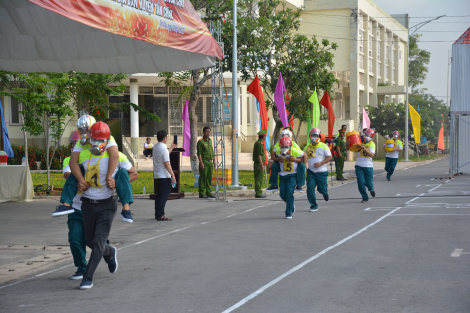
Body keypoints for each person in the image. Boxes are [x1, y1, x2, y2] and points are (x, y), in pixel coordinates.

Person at [77, 122, 138, 290]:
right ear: (89, 138)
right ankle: (109, 252)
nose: (97, 143)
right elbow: (73, 174)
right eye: (94, 139)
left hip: (107, 204)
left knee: (98, 240)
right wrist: (80, 183)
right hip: (88, 204)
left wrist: (115, 183)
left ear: (108, 139)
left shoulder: (117, 156)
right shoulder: (82, 154)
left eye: (101, 140)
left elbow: (133, 174)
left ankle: (87, 277)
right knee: (90, 241)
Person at [52, 114, 135, 223]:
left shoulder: (108, 139)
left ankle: (126, 208)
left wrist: (110, 178)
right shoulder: (80, 145)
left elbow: (114, 156)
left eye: (85, 129)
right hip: (87, 179)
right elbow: (73, 163)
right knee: (76, 171)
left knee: (123, 173)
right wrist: (82, 181)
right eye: (81, 130)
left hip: (104, 188)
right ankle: (66, 204)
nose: (83, 132)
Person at [60, 130, 87, 280]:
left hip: (93, 206)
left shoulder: (96, 158)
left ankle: (107, 251)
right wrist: (81, 180)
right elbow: (67, 174)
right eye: (74, 144)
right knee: (75, 238)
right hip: (75, 207)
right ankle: (82, 267)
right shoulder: (68, 160)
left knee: (95, 239)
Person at [273, 136, 305, 219]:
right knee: (282, 194)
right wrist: (277, 159)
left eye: (286, 147)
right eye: (282, 147)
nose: (284, 149)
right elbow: (272, 157)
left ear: (290, 146)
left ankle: (288, 212)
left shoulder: (295, 151)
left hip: (292, 175)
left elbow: (304, 155)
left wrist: (296, 160)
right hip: (283, 176)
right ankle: (291, 204)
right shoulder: (277, 151)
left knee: (289, 192)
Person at [267, 127, 305, 193]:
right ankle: (274, 185)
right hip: (281, 163)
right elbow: (273, 155)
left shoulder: (295, 145)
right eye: (283, 136)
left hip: (293, 163)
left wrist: (294, 159)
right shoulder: (278, 145)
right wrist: (277, 159)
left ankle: (299, 185)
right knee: (274, 166)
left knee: (301, 165)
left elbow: (302, 157)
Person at [304, 128, 332, 212]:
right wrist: (304, 165)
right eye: (312, 135)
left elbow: (329, 157)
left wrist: (320, 163)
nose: (313, 137)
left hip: (322, 172)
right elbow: (303, 156)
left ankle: (324, 192)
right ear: (310, 136)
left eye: (315, 135)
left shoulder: (323, 146)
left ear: (319, 136)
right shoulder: (307, 146)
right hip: (311, 172)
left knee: (322, 188)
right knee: (310, 187)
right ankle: (313, 205)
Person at [153, 130, 177, 220]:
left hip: (157, 175)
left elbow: (164, 154)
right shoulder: (163, 148)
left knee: (159, 195)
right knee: (163, 196)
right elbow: (167, 163)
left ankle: (158, 213)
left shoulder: (155, 147)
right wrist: (173, 175)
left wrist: (171, 147)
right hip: (164, 176)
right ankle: (160, 215)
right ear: (165, 138)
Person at [350, 128, 376, 203]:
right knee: (361, 183)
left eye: (367, 135)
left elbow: (371, 155)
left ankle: (371, 189)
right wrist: (347, 143)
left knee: (368, 183)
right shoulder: (358, 141)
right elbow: (350, 148)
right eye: (365, 134)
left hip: (368, 166)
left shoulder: (372, 144)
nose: (365, 136)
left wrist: (364, 149)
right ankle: (365, 197)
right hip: (359, 165)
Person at [197, 127, 215, 199]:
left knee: (209, 177)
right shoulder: (201, 142)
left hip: (210, 161)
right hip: (204, 161)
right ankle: (201, 192)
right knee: (203, 177)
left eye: (209, 132)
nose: (208, 133)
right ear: (203, 132)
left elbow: (212, 151)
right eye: (206, 132)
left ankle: (209, 192)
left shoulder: (210, 141)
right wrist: (201, 163)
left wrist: (214, 160)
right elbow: (199, 153)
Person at [253, 129, 267, 198]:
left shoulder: (258, 143)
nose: (265, 137)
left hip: (258, 163)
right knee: (258, 179)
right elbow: (259, 155)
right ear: (263, 136)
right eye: (265, 136)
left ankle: (258, 192)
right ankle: (258, 193)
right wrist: (261, 165)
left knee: (259, 178)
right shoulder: (259, 144)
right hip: (258, 164)